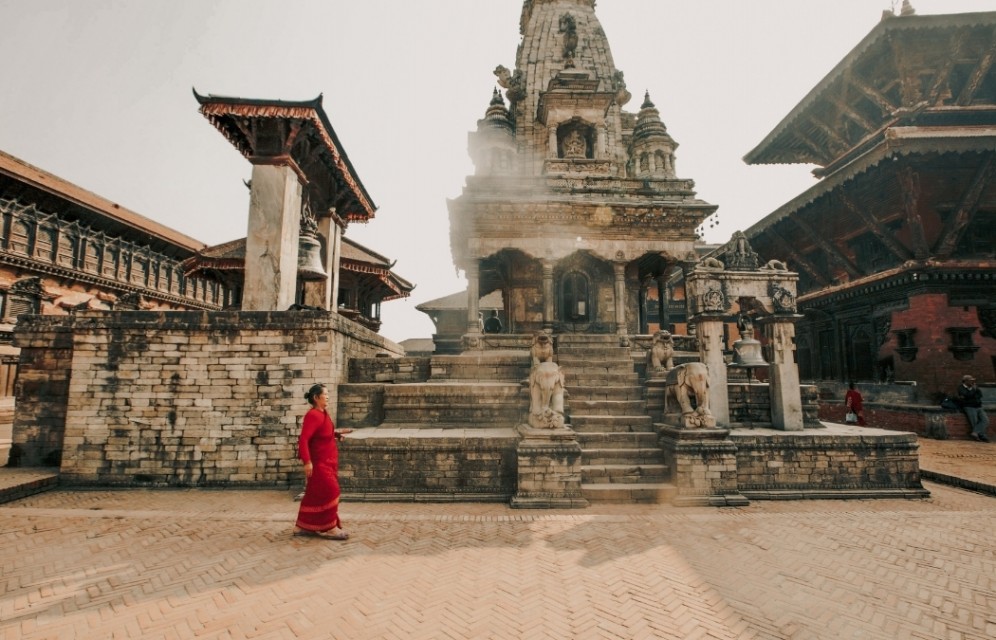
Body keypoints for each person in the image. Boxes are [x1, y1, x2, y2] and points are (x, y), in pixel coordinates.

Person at [294, 383, 353, 539]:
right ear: (316, 397)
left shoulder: (323, 413)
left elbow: (322, 433)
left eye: (328, 394)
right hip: (319, 463)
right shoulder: (313, 415)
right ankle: (329, 527)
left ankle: (303, 526)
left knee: (314, 494)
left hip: (329, 461)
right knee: (331, 491)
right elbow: (304, 440)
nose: (327, 396)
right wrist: (307, 462)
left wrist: (336, 434)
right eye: (325, 394)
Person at [957, 374, 989, 442]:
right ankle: (981, 436)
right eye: (971, 380)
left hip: (978, 406)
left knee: (985, 420)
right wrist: (973, 392)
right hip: (969, 407)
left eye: (973, 380)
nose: (973, 382)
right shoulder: (961, 388)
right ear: (965, 381)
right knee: (974, 422)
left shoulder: (975, 387)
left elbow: (980, 395)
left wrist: (972, 394)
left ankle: (975, 433)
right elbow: (966, 395)